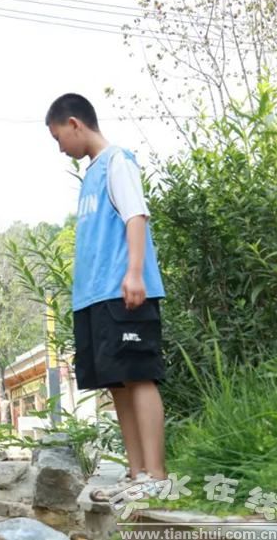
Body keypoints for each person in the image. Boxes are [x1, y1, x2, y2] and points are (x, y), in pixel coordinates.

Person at [44, 93, 167, 500]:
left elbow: (136, 216)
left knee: (139, 375)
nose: (60, 147)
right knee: (117, 383)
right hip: (95, 297)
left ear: (75, 124)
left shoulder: (118, 161)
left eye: (58, 137)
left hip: (123, 289)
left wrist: (134, 273)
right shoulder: (92, 174)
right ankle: (136, 473)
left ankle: (156, 475)